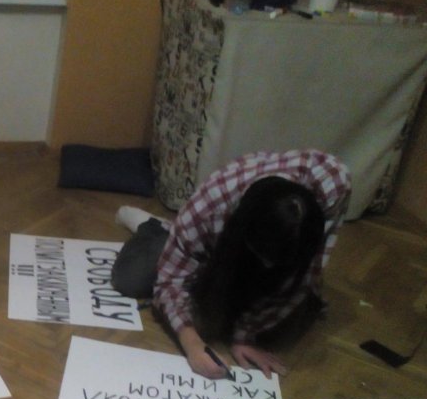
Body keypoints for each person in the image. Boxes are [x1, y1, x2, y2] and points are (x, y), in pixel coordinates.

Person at [111, 150, 351, 380]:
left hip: (256, 250)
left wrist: (244, 336)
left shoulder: (333, 183)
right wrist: (192, 344)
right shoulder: (211, 203)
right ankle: (155, 228)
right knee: (131, 280)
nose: (267, 268)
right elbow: (170, 282)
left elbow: (307, 273)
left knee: (284, 331)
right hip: (212, 246)